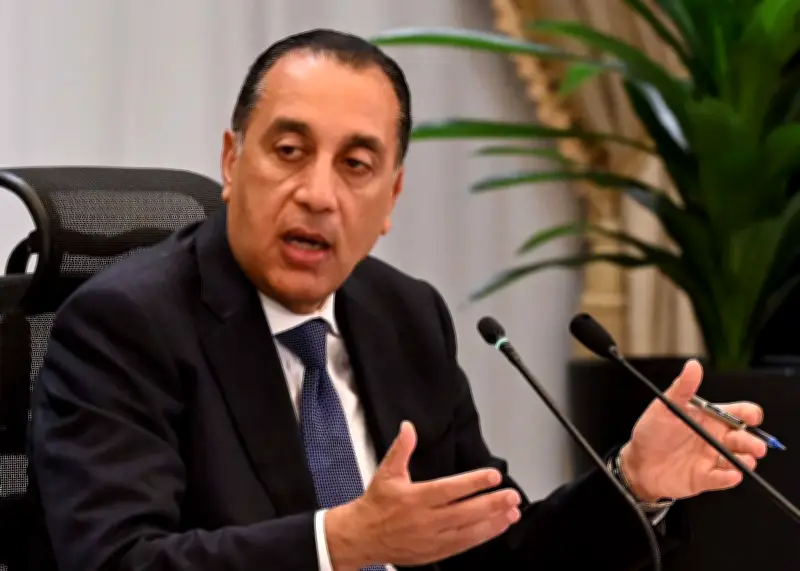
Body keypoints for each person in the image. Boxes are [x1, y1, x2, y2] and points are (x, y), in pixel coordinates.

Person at [28, 29, 768, 571]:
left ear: (391, 198)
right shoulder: (126, 325)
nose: (318, 194)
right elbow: (118, 561)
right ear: (231, 160)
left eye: (356, 164)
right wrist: (339, 544)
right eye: (289, 151)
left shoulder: (404, 316)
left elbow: (493, 547)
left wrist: (632, 480)